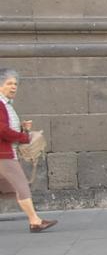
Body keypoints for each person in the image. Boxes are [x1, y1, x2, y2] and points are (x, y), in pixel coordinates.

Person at [0, 69, 56, 233]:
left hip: (6, 152)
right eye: (9, 83)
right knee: (21, 185)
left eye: (15, 84)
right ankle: (35, 221)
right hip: (4, 154)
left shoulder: (6, 105)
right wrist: (24, 137)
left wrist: (22, 128)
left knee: (10, 188)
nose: (14, 87)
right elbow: (2, 130)